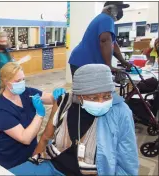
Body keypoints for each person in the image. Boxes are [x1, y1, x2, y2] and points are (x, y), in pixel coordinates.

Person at [10, 64, 139, 176]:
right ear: (78, 95)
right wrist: (34, 161)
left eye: (107, 96)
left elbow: (128, 162)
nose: (101, 102)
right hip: (53, 165)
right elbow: (45, 137)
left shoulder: (121, 112)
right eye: (93, 98)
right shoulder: (65, 102)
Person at [0, 62, 65, 169]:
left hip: (30, 152)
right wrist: (39, 115)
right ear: (6, 82)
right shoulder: (1, 108)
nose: (22, 83)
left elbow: (48, 98)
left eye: (23, 79)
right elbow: (25, 138)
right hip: (9, 157)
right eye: (18, 81)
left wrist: (56, 95)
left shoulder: (26, 92)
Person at [68, 1, 132, 76]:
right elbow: (105, 41)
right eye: (118, 9)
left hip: (81, 60)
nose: (120, 12)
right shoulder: (107, 19)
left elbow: (113, 44)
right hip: (84, 62)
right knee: (88, 87)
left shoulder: (103, 19)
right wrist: (108, 66)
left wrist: (123, 61)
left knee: (89, 87)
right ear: (109, 9)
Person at [0, 31, 14, 100]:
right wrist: (3, 80)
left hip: (8, 83)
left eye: (5, 41)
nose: (3, 43)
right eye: (1, 41)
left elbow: (11, 64)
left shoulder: (7, 52)